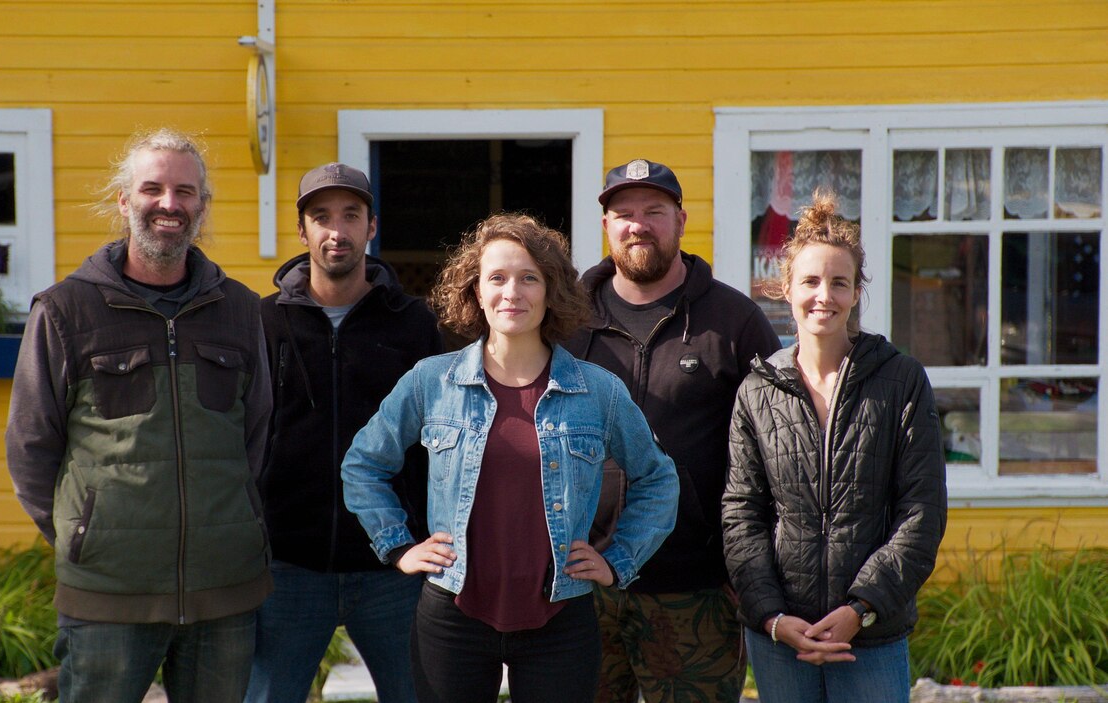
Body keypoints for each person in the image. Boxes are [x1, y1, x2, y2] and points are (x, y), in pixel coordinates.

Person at [340, 213, 679, 703]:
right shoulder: (431, 381)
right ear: (476, 291)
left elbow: (658, 479)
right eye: (496, 278)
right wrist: (398, 546)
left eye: (529, 278)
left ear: (551, 290)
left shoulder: (597, 391)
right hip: (452, 616)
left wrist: (618, 560)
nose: (512, 292)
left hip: (561, 620)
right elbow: (363, 465)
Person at [5, 128, 273, 703]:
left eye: (185, 191)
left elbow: (258, 435)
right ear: (124, 201)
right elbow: (31, 446)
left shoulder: (241, 310)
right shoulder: (65, 311)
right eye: (152, 189)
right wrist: (84, 534)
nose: (169, 204)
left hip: (224, 590)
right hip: (107, 593)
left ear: (202, 205)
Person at [564, 158, 781, 703]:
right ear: (606, 226)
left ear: (681, 220)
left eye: (654, 211)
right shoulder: (565, 321)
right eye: (624, 213)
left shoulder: (734, 321)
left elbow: (775, 453)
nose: (638, 225)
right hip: (581, 582)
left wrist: (751, 568)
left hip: (695, 587)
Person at [722, 190, 947, 703]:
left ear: (856, 292)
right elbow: (741, 514)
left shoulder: (901, 381)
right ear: (786, 288)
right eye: (810, 281)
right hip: (782, 640)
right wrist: (773, 617)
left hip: (871, 636)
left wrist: (859, 609)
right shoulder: (757, 391)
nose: (824, 295)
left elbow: (922, 511)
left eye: (839, 282)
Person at [245, 163, 442, 703]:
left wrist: (427, 536)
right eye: (321, 217)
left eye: (351, 215)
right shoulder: (260, 322)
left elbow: (442, 439)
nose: (337, 231)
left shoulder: (416, 324)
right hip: (287, 567)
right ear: (302, 230)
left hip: (395, 567)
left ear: (371, 226)